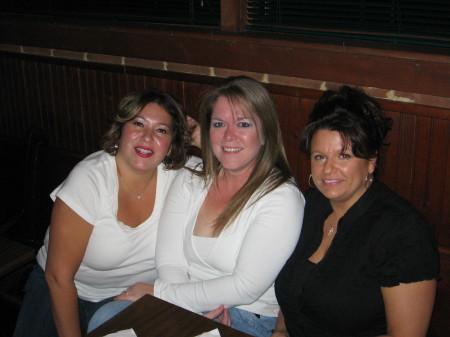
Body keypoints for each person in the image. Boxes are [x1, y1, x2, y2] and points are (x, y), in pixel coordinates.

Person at [88, 76, 305, 337]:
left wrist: (162, 294)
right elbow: (169, 261)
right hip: (183, 298)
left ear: (265, 133)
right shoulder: (190, 176)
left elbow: (245, 287)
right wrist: (185, 311)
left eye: (244, 124)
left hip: (244, 315)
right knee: (106, 317)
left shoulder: (281, 197)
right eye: (219, 124)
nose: (229, 135)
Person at [13, 88, 203, 337]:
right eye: (138, 124)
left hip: (131, 297)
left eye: (161, 130)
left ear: (171, 147)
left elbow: (246, 174)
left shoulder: (183, 175)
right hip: (64, 290)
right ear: (120, 131)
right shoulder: (89, 178)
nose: (147, 137)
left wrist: (201, 138)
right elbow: (59, 276)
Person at [273, 86, 440, 337]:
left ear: (371, 162)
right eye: (319, 157)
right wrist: (279, 333)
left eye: (344, 156)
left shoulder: (403, 232)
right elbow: (296, 287)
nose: (329, 169)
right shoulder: (312, 204)